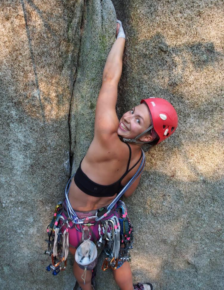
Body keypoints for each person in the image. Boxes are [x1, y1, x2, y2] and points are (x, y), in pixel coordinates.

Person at [62, 20, 178, 290]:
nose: (127, 117)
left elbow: (109, 81)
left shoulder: (106, 136)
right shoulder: (140, 161)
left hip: (78, 223)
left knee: (84, 264)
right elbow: (127, 193)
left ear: (148, 136)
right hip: (111, 221)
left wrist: (121, 37)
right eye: (133, 112)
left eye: (138, 121)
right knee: (120, 260)